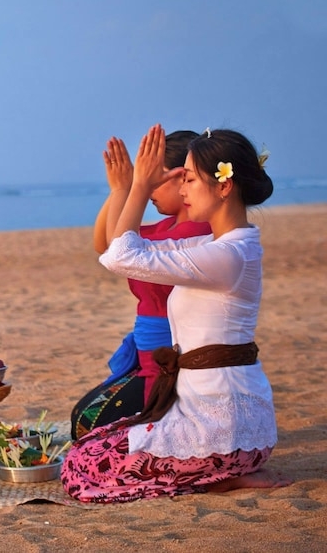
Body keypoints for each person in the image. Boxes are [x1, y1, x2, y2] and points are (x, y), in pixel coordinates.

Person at [61, 125, 290, 502]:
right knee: (90, 445)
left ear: (224, 186)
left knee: (81, 466)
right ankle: (218, 474)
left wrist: (137, 187)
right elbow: (116, 250)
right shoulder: (216, 246)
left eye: (190, 179)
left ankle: (219, 476)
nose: (182, 189)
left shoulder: (227, 256)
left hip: (226, 432)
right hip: (222, 423)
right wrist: (127, 188)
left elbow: (120, 257)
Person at [70, 131, 210, 439]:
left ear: (183, 177)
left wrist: (129, 189)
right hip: (149, 356)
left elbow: (116, 247)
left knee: (90, 425)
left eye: (154, 178)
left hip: (170, 362)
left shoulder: (197, 232)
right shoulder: (167, 226)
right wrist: (121, 189)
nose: (148, 189)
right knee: (83, 418)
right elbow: (104, 244)